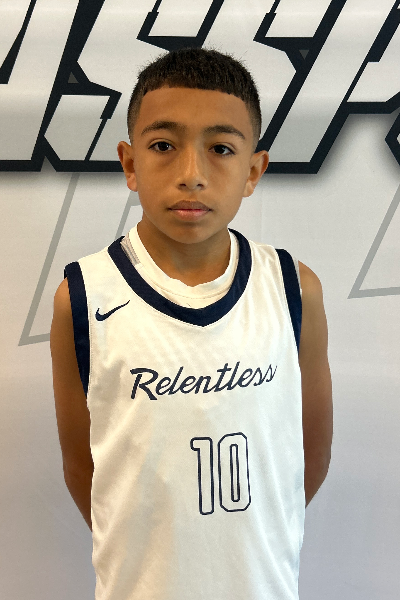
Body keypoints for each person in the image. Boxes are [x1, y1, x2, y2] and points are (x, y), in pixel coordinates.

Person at [50, 47, 332, 600]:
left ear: (253, 171)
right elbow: (84, 466)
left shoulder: (293, 289)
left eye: (221, 149)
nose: (192, 175)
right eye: (163, 146)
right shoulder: (82, 297)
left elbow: (310, 452)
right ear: (130, 163)